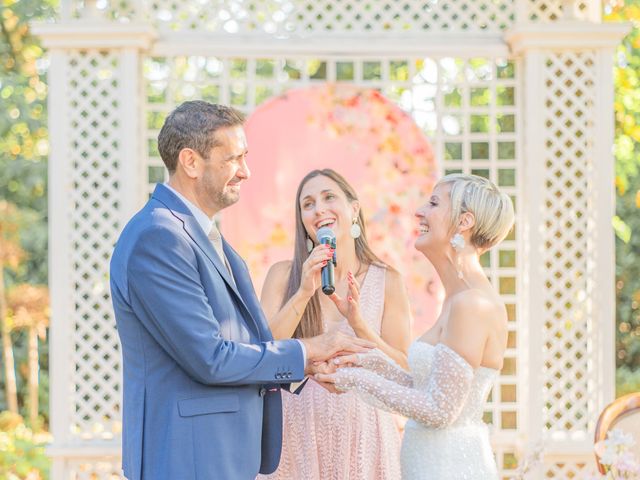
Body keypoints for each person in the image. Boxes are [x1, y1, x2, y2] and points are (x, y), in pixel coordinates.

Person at [109, 102, 374, 480]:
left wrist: (305, 365)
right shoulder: (159, 238)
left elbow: (246, 343)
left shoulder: (210, 240)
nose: (246, 172)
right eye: (234, 159)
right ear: (191, 162)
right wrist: (306, 349)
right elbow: (210, 357)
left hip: (224, 455)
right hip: (188, 458)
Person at [317, 173, 515, 479]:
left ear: (464, 222)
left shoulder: (472, 304)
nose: (419, 211)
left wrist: (355, 379)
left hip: (452, 468)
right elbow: (423, 387)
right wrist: (363, 362)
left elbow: (439, 410)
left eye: (434, 203)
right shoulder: (456, 299)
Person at [259, 168, 412, 479]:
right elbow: (262, 354)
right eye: (308, 204)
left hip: (365, 433)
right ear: (302, 220)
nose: (319, 209)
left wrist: (360, 326)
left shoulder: (388, 280)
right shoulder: (282, 276)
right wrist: (303, 292)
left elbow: (403, 372)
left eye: (329, 197)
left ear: (353, 209)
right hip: (297, 430)